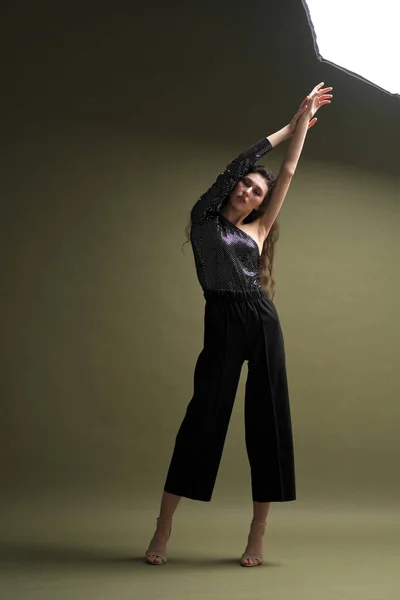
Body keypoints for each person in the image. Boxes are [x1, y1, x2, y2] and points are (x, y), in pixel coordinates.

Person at [145, 82, 333, 567]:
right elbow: (237, 163)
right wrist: (288, 128)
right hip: (222, 321)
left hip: (260, 319)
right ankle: (163, 528)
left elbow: (289, 171)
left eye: (258, 192)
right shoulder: (204, 218)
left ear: (258, 205)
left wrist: (302, 136)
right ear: (235, 187)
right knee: (204, 417)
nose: (250, 191)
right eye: (248, 184)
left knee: (267, 419)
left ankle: (257, 535)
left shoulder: (258, 229)